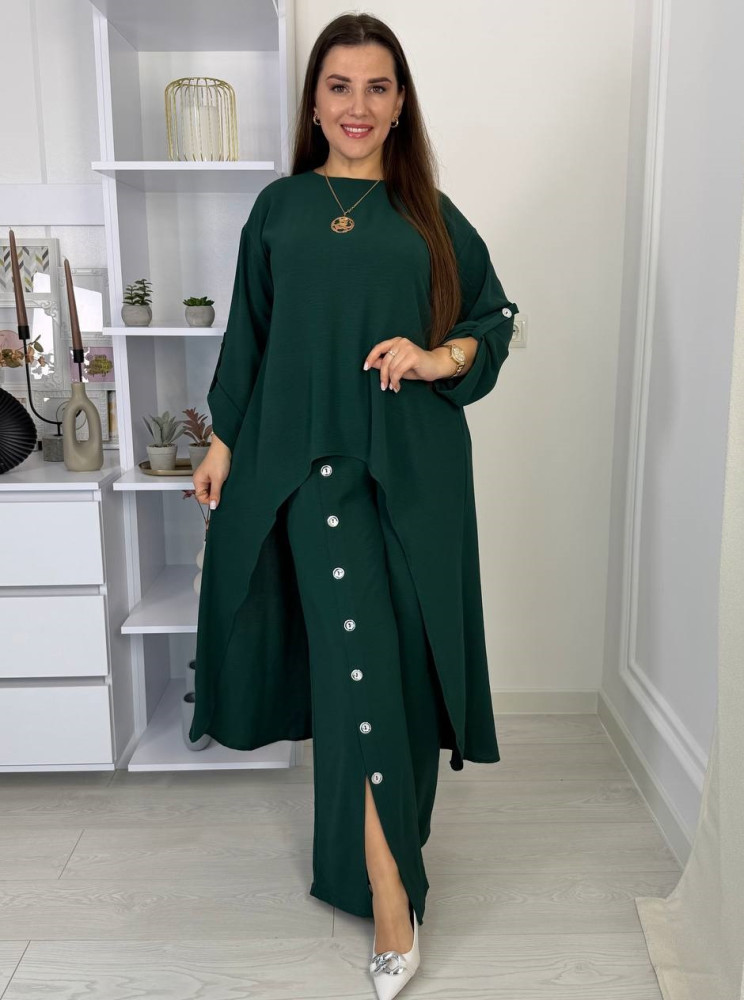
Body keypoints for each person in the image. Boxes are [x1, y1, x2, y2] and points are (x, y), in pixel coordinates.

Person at [191, 12, 519, 998]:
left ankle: (371, 858)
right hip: (310, 478)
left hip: (414, 477)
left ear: (401, 101)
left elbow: (493, 319)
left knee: (397, 675)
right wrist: (223, 441)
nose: (358, 106)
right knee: (359, 668)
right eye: (339, 86)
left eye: (378, 86)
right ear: (314, 101)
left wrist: (436, 356)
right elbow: (250, 337)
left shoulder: (430, 217)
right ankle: (388, 895)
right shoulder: (280, 210)